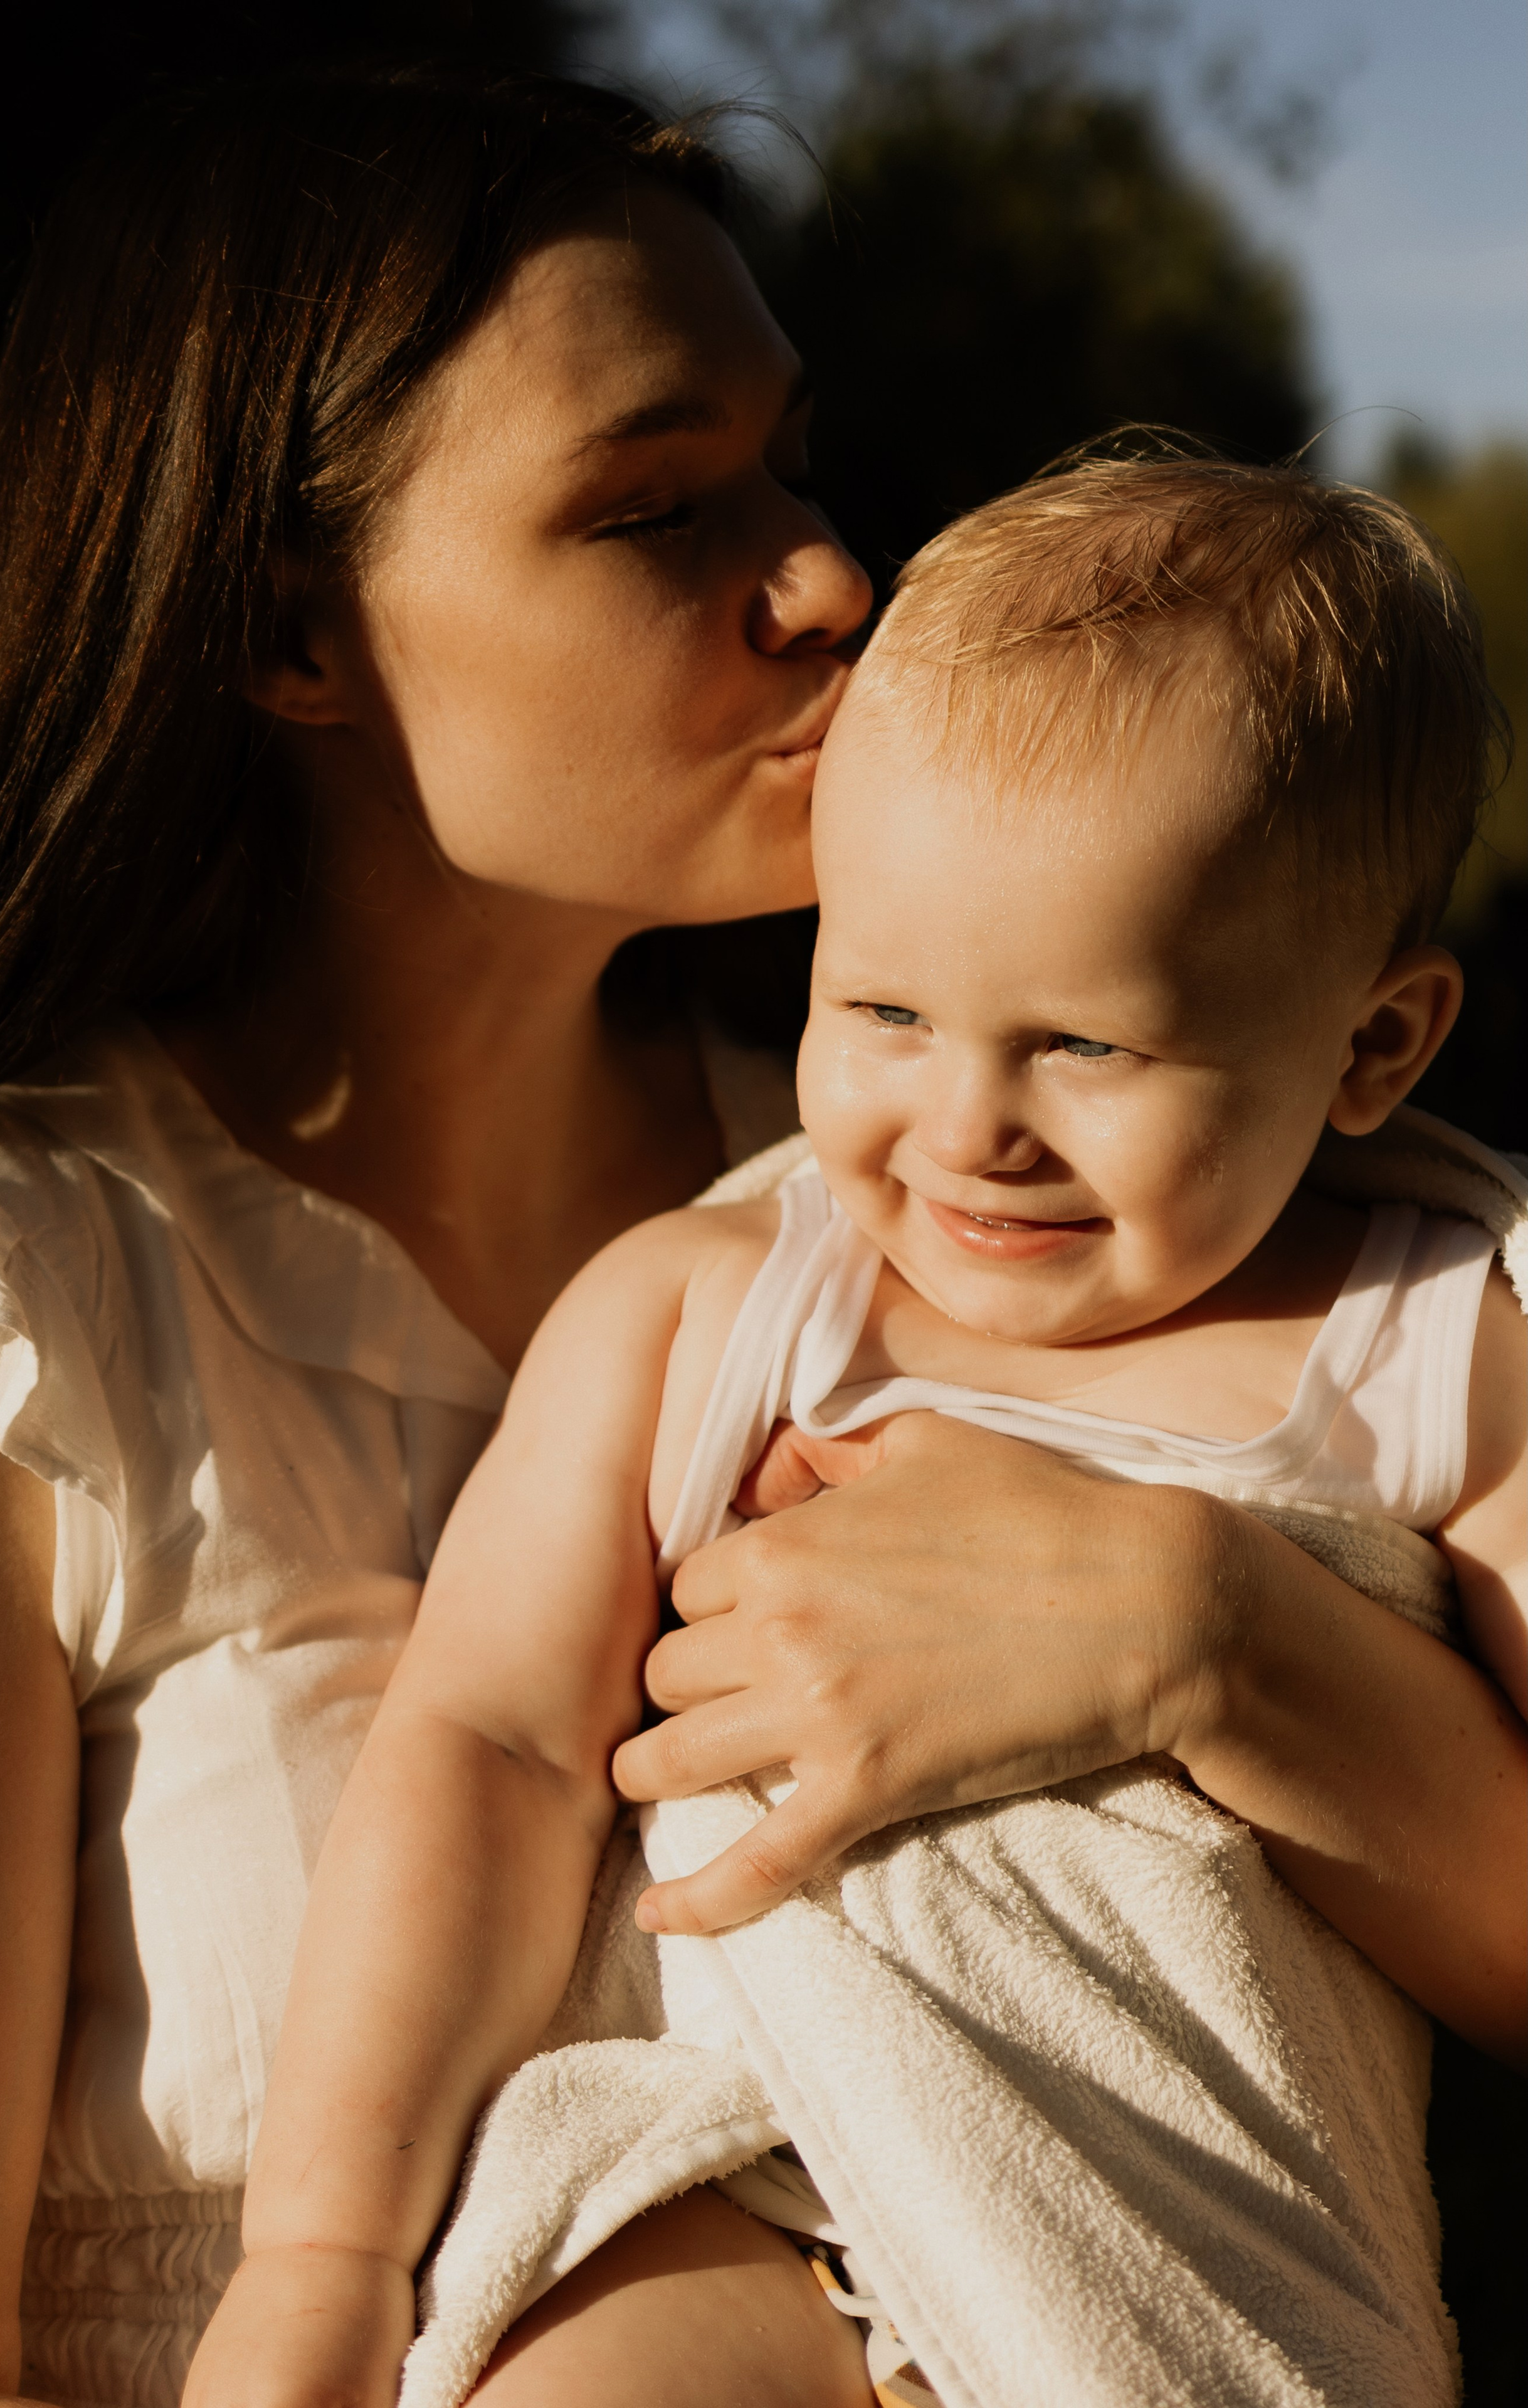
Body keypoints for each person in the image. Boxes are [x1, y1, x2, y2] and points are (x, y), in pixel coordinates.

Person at [0, 63, 1519, 2408]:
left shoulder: (1002, 1194)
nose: (830, 576)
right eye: (660, 505)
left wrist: (1208, 1636)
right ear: (293, 637)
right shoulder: (16, 1308)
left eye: (792, 458)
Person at [180, 452, 1527, 2408]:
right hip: (740, 2186)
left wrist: (1234, 1656)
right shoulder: (711, 1310)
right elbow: (479, 1749)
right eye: (884, 1009)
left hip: (1182, 2265)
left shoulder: (1433, 1351)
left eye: (1086, 1044)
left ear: (1373, 1045)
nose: (968, 1122)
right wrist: (320, 2250)